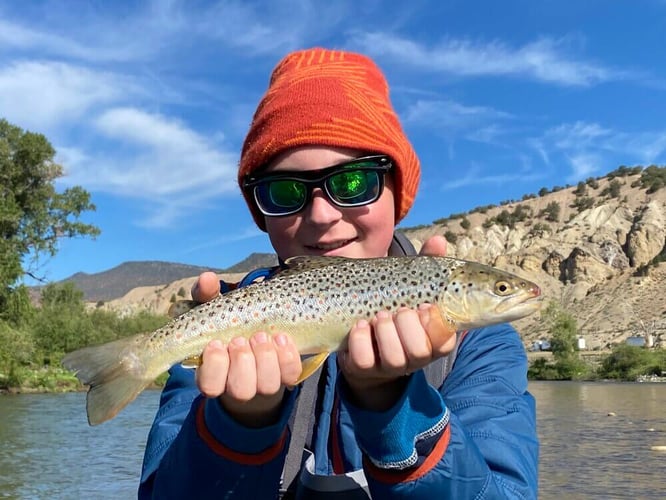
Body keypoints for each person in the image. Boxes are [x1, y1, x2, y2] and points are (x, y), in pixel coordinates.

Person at [139, 48, 538, 499]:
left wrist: (394, 407)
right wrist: (238, 424)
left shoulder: (482, 347)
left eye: (353, 182)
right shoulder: (222, 324)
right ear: (260, 212)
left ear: (396, 189)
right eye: (286, 190)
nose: (323, 215)